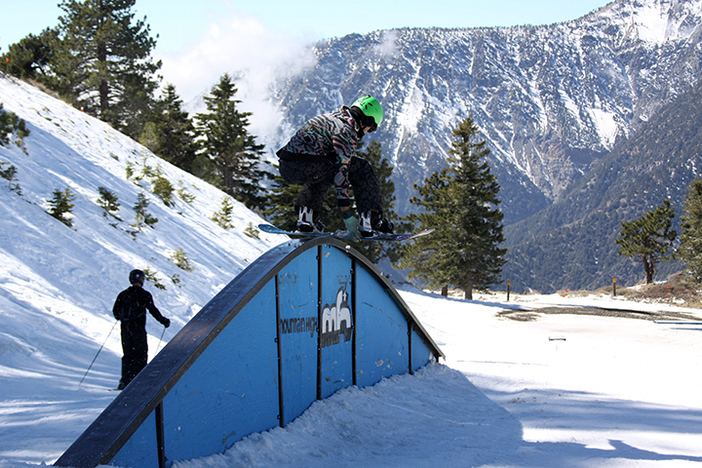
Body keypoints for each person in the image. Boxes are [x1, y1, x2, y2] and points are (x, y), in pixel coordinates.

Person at [276, 95, 394, 241]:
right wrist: (347, 215)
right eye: (370, 128)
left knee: (324, 171)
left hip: (287, 165)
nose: (367, 132)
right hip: (305, 165)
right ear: (366, 121)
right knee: (361, 168)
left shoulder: (333, 117)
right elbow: (341, 174)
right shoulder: (346, 130)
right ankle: (370, 221)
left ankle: (306, 218)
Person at [112, 269, 170, 390]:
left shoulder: (123, 294)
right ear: (142, 280)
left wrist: (123, 318)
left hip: (125, 329)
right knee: (141, 354)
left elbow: (115, 312)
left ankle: (125, 381)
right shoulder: (144, 295)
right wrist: (163, 320)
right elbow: (153, 310)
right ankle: (138, 381)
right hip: (138, 329)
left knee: (128, 355)